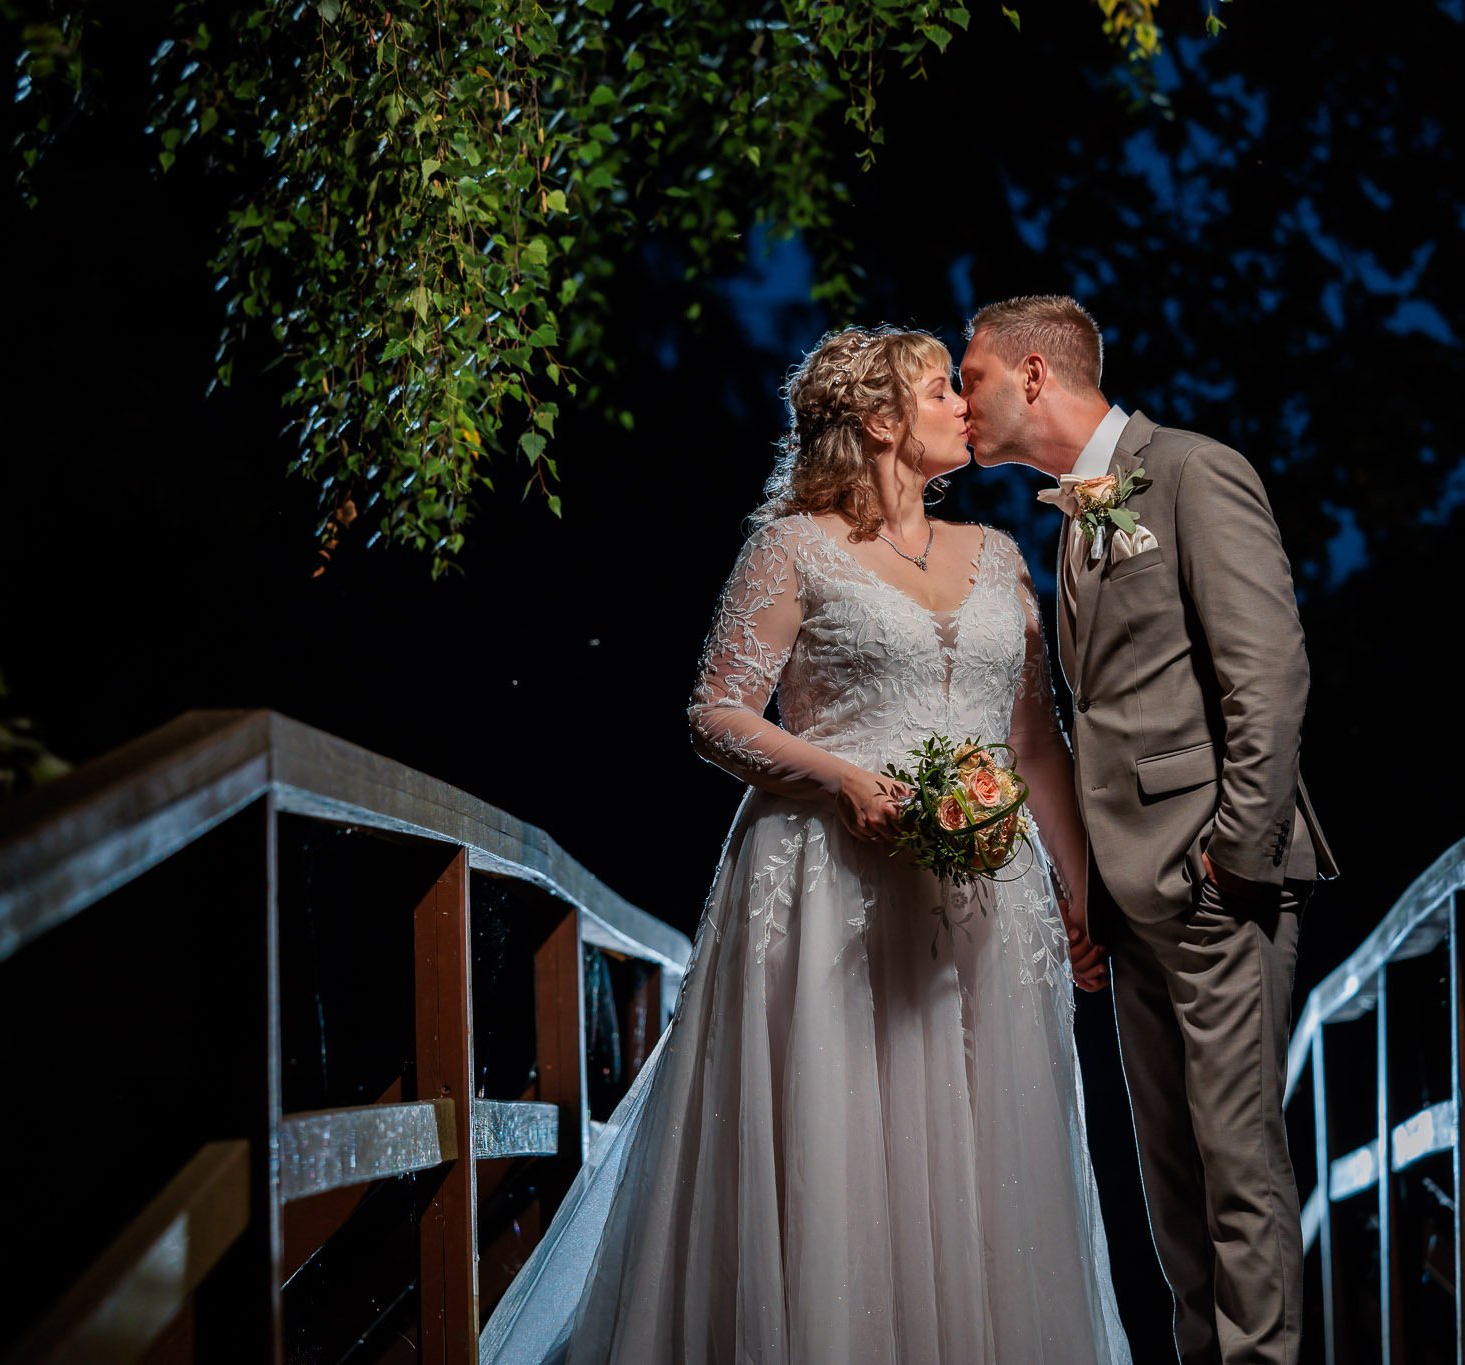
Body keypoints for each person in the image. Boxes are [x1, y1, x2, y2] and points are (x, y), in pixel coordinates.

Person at [481, 325, 1129, 1364]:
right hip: (830, 882)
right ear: (878, 420)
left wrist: (1078, 891)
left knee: (978, 1158)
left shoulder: (1000, 557)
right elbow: (716, 713)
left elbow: (1035, 746)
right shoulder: (791, 547)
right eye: (936, 390)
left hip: (985, 901)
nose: (966, 405)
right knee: (842, 1153)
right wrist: (838, 778)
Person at [961, 294, 1338, 1365]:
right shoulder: (1074, 516)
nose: (961, 397)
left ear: (1034, 375)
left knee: (1237, 1176)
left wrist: (1232, 853)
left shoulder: (1189, 473)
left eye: (972, 373)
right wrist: (1084, 892)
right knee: (1174, 1203)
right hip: (1129, 911)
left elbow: (1267, 679)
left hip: (1217, 888)